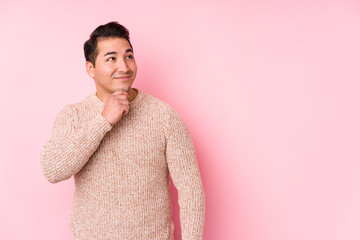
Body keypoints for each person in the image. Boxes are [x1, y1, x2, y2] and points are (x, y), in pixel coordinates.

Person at [40, 21, 205, 240]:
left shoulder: (164, 116)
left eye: (129, 56)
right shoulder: (74, 115)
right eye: (111, 59)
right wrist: (103, 121)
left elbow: (191, 191)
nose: (124, 67)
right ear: (91, 68)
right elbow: (53, 170)